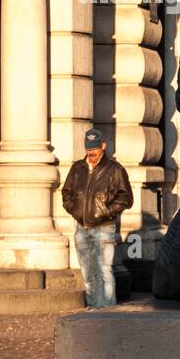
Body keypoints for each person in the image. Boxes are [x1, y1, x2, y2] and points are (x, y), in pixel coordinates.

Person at [62, 127, 133, 309]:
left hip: (104, 227)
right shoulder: (78, 168)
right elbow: (66, 193)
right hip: (81, 227)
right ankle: (93, 307)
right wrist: (76, 211)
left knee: (104, 271)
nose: (91, 152)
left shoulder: (115, 169)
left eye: (94, 148)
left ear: (103, 146)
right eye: (88, 148)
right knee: (88, 272)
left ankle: (107, 310)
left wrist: (106, 212)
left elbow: (126, 198)